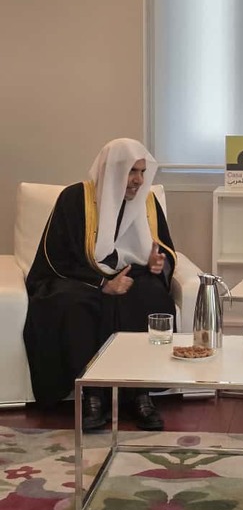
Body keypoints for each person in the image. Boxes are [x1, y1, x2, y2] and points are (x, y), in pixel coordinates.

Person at [23, 138, 177, 432]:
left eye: (142, 172)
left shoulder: (147, 201)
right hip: (78, 276)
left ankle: (139, 394)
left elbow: (164, 248)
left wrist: (159, 264)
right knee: (74, 303)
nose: (138, 180)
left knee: (148, 296)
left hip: (133, 274)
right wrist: (102, 284)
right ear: (113, 170)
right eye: (132, 171)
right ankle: (91, 395)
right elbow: (55, 256)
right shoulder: (75, 198)